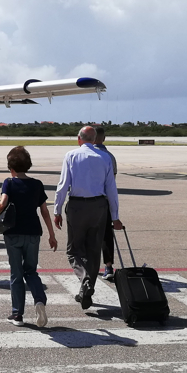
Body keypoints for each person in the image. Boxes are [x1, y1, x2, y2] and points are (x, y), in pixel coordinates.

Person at [53, 126, 124, 310]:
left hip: (77, 206)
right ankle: (87, 288)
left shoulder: (71, 156)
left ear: (79, 139)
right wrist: (115, 216)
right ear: (94, 140)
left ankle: (84, 280)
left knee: (74, 250)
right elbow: (112, 190)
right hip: (99, 206)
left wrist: (57, 210)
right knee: (93, 250)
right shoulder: (105, 157)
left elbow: (63, 185)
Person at [0, 146, 58, 327]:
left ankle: (17, 314)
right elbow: (44, 211)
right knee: (31, 271)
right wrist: (51, 235)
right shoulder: (37, 184)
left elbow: (3, 202)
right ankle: (39, 301)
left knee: (16, 274)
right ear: (28, 165)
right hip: (33, 233)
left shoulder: (9, 183)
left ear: (10, 167)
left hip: (13, 234)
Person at [93, 126, 118, 282]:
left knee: (86, 233)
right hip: (105, 201)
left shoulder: (81, 155)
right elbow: (112, 183)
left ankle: (88, 265)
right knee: (106, 234)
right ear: (104, 138)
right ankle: (108, 266)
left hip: (86, 201)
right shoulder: (110, 156)